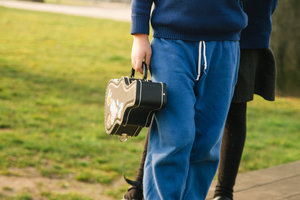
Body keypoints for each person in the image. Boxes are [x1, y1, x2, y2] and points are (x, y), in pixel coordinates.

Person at [126, 0, 277, 199]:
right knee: (174, 137)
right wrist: (140, 35)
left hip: (226, 46)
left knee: (207, 143)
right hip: (171, 45)